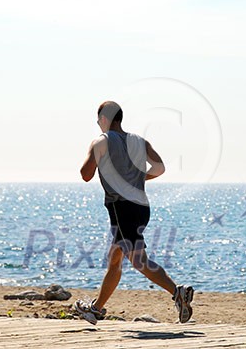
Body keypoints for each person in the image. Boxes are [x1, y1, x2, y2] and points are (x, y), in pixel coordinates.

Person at [75, 101, 194, 325]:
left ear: (103, 119)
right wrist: (137, 178)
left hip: (122, 208)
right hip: (142, 207)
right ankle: (96, 309)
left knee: (139, 261)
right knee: (115, 259)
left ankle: (177, 292)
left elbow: (85, 174)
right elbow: (159, 168)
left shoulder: (101, 141)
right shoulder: (139, 141)